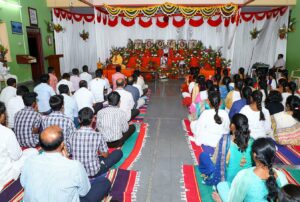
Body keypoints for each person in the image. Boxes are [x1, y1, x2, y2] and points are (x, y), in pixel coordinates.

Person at [21, 126, 111, 201]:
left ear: (40, 146)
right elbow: (84, 192)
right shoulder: (74, 166)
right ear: (62, 145)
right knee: (104, 182)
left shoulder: (29, 161)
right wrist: (68, 159)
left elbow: (24, 184)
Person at [214, 138, 288, 202]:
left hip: (240, 186)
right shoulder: (281, 175)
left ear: (254, 155)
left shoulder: (244, 175)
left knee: (222, 185)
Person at [198, 113, 253, 185]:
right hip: (246, 180)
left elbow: (215, 161)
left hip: (227, 181)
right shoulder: (253, 141)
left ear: (232, 126)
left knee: (203, 155)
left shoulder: (225, 140)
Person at [70, 107, 123, 177]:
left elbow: (70, 152)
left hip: (78, 172)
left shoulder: (72, 134)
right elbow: (105, 155)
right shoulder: (98, 135)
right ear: (93, 119)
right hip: (94, 171)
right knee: (118, 153)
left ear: (79, 120)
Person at [0, 101, 38, 191]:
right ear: (1, 115)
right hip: (4, 175)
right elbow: (16, 156)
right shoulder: (6, 132)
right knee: (33, 151)